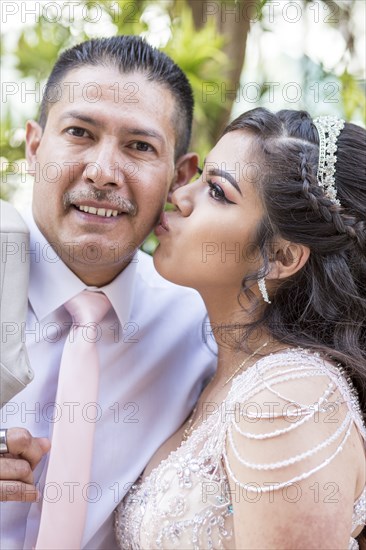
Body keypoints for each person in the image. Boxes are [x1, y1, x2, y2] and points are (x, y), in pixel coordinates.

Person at [115, 107, 366, 549]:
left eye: (216, 190)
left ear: (283, 257)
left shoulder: (289, 399)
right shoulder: (219, 372)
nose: (181, 196)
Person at [0, 36, 216, 549]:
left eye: (139, 146)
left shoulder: (204, 327)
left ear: (180, 177)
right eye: (79, 132)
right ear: (35, 147)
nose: (102, 172)